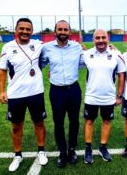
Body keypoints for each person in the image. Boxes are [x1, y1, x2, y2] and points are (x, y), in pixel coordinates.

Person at [0, 18, 48, 172]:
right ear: (16, 29)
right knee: (16, 126)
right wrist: (1, 91)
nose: (25, 31)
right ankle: (18, 155)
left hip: (36, 93)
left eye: (28, 29)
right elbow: (2, 71)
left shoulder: (39, 45)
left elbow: (58, 46)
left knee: (39, 123)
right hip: (15, 95)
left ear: (32, 31)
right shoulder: (7, 47)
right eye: (22, 28)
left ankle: (41, 151)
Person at [41, 20, 83, 168]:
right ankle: (62, 152)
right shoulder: (46, 48)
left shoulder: (77, 47)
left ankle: (71, 149)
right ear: (55, 31)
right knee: (58, 122)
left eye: (66, 29)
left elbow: (84, 62)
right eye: (60, 29)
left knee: (74, 121)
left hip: (74, 90)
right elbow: (40, 64)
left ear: (69, 32)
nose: (63, 32)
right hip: (57, 91)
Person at [83, 29, 126, 164]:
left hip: (109, 97)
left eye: (103, 38)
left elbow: (121, 75)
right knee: (89, 121)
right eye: (97, 38)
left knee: (107, 121)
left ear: (108, 39)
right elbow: (70, 64)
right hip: (91, 96)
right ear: (93, 40)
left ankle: (103, 147)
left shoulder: (116, 54)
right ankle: (88, 149)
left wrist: (119, 96)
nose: (101, 40)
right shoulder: (86, 54)